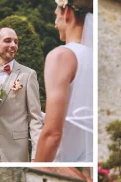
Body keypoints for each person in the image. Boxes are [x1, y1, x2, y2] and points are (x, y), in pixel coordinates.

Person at [33, 0, 94, 162]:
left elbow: (53, 133)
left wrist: (37, 168)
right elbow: (75, 119)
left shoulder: (62, 56)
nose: (55, 24)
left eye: (56, 16)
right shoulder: (95, 58)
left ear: (66, 12)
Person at [0, 28, 44, 162]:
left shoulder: (28, 75)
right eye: (7, 41)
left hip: (16, 152)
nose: (13, 45)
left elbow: (35, 118)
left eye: (16, 42)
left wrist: (36, 156)